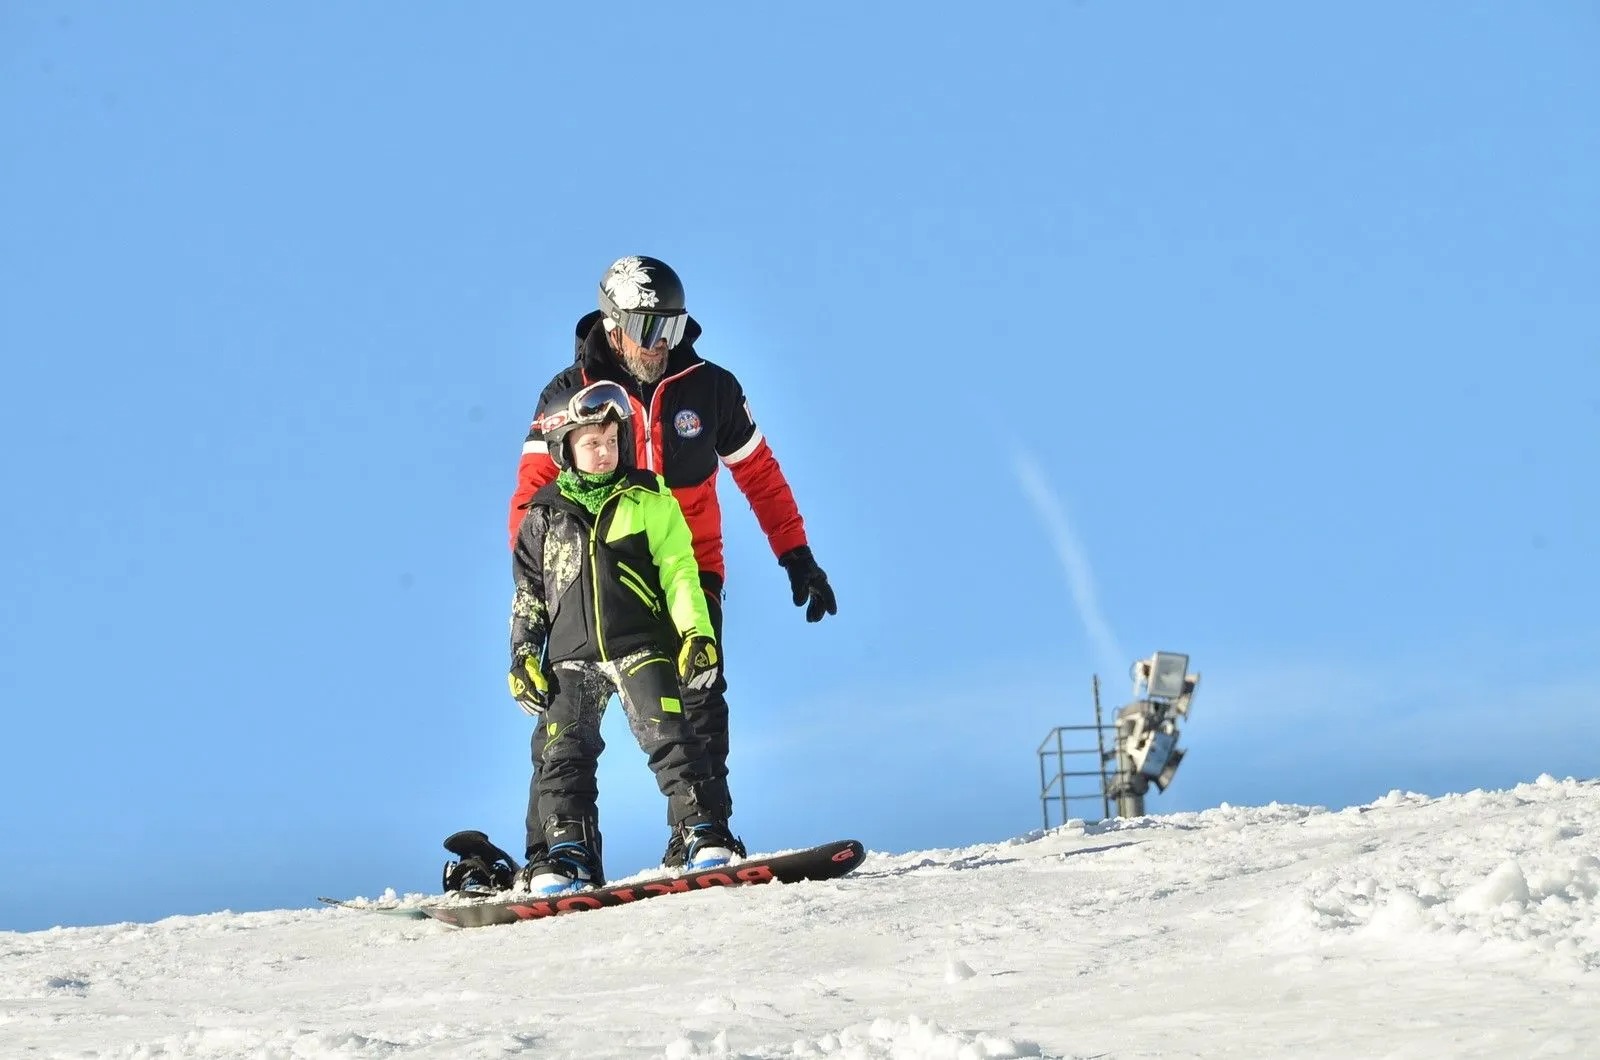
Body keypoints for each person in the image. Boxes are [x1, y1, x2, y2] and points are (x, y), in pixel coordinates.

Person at [508, 255, 837, 869]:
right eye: (647, 327)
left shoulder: (711, 388)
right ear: (613, 325)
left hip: (686, 568)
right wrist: (539, 593)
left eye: (673, 327)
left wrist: (796, 554)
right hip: (591, 574)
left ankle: (703, 834)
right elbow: (530, 503)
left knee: (698, 693)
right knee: (564, 713)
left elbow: (759, 475)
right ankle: (555, 852)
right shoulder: (569, 394)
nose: (660, 343)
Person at [507, 379, 737, 895]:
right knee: (563, 754)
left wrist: (696, 634)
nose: (605, 452)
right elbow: (529, 596)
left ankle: (700, 830)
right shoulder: (543, 516)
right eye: (592, 443)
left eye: (612, 440)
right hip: (570, 659)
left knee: (672, 738)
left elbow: (680, 571)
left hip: (641, 646)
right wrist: (523, 657)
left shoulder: (648, 498)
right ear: (564, 448)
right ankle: (568, 852)